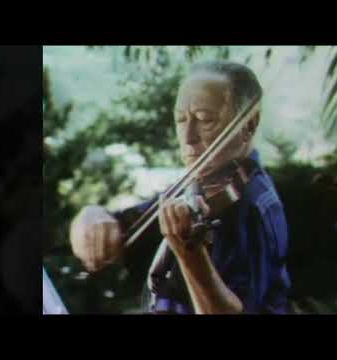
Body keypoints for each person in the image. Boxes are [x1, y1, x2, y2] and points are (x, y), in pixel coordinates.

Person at [69, 61, 291, 314]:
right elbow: (123, 223)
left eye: (204, 119)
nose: (187, 138)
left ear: (249, 125)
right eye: (180, 120)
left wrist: (190, 255)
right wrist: (91, 217)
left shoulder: (253, 207)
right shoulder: (201, 182)